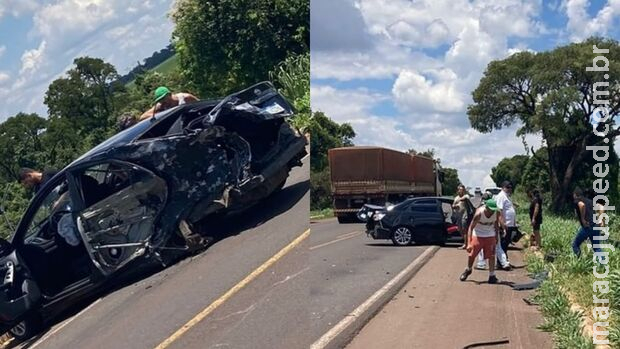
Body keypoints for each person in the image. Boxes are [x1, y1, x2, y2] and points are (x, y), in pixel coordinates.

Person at [460, 198, 503, 284]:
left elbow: (496, 224)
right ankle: (468, 269)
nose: (492, 212)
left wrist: (496, 236)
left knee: (491, 255)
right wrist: (469, 243)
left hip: (490, 234)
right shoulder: (479, 214)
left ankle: (492, 276)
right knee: (472, 254)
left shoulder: (496, 213)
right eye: (490, 210)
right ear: (486, 207)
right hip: (478, 234)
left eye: (493, 210)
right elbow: (470, 228)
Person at [572, 188, 601, 257]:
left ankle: (579, 261)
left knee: (575, 244)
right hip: (596, 226)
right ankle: (602, 264)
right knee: (597, 248)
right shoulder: (590, 201)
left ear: (575, 195)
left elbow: (582, 205)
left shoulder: (577, 200)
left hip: (588, 227)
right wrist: (600, 219)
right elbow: (601, 207)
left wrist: (582, 219)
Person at [452, 184, 470, 249]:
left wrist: (460, 200)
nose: (460, 191)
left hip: (464, 215)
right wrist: (455, 206)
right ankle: (466, 242)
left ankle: (466, 244)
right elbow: (453, 206)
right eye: (459, 190)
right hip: (458, 215)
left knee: (464, 229)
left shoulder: (466, 196)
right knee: (459, 229)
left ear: (464, 190)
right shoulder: (456, 198)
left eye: (461, 190)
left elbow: (466, 198)